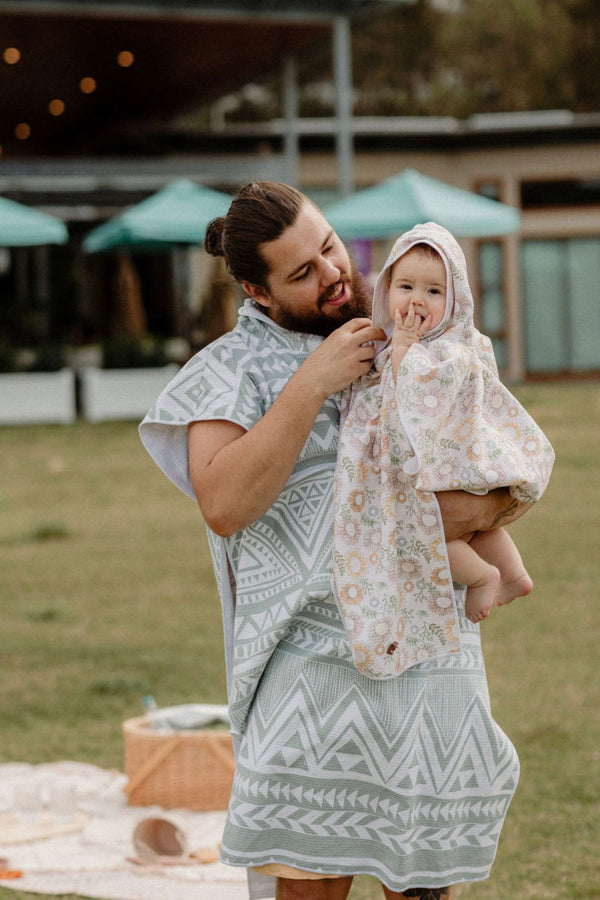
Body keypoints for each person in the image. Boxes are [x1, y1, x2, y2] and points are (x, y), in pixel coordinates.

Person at [139, 183, 526, 900]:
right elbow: (222, 504)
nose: (332, 274)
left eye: (328, 247)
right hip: (305, 670)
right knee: (308, 889)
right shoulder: (226, 373)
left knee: (423, 888)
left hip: (425, 656)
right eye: (303, 273)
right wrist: (312, 383)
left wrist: (475, 507)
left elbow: (501, 473)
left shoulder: (413, 340)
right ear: (256, 289)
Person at [333, 224, 554, 663]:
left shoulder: (447, 351)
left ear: (454, 302)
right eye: (406, 286)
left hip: (439, 476)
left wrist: (404, 348)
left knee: (428, 536)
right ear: (385, 289)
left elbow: (414, 392)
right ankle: (514, 574)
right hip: (446, 477)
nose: (416, 300)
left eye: (434, 291)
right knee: (481, 530)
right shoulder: (399, 344)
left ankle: (481, 578)